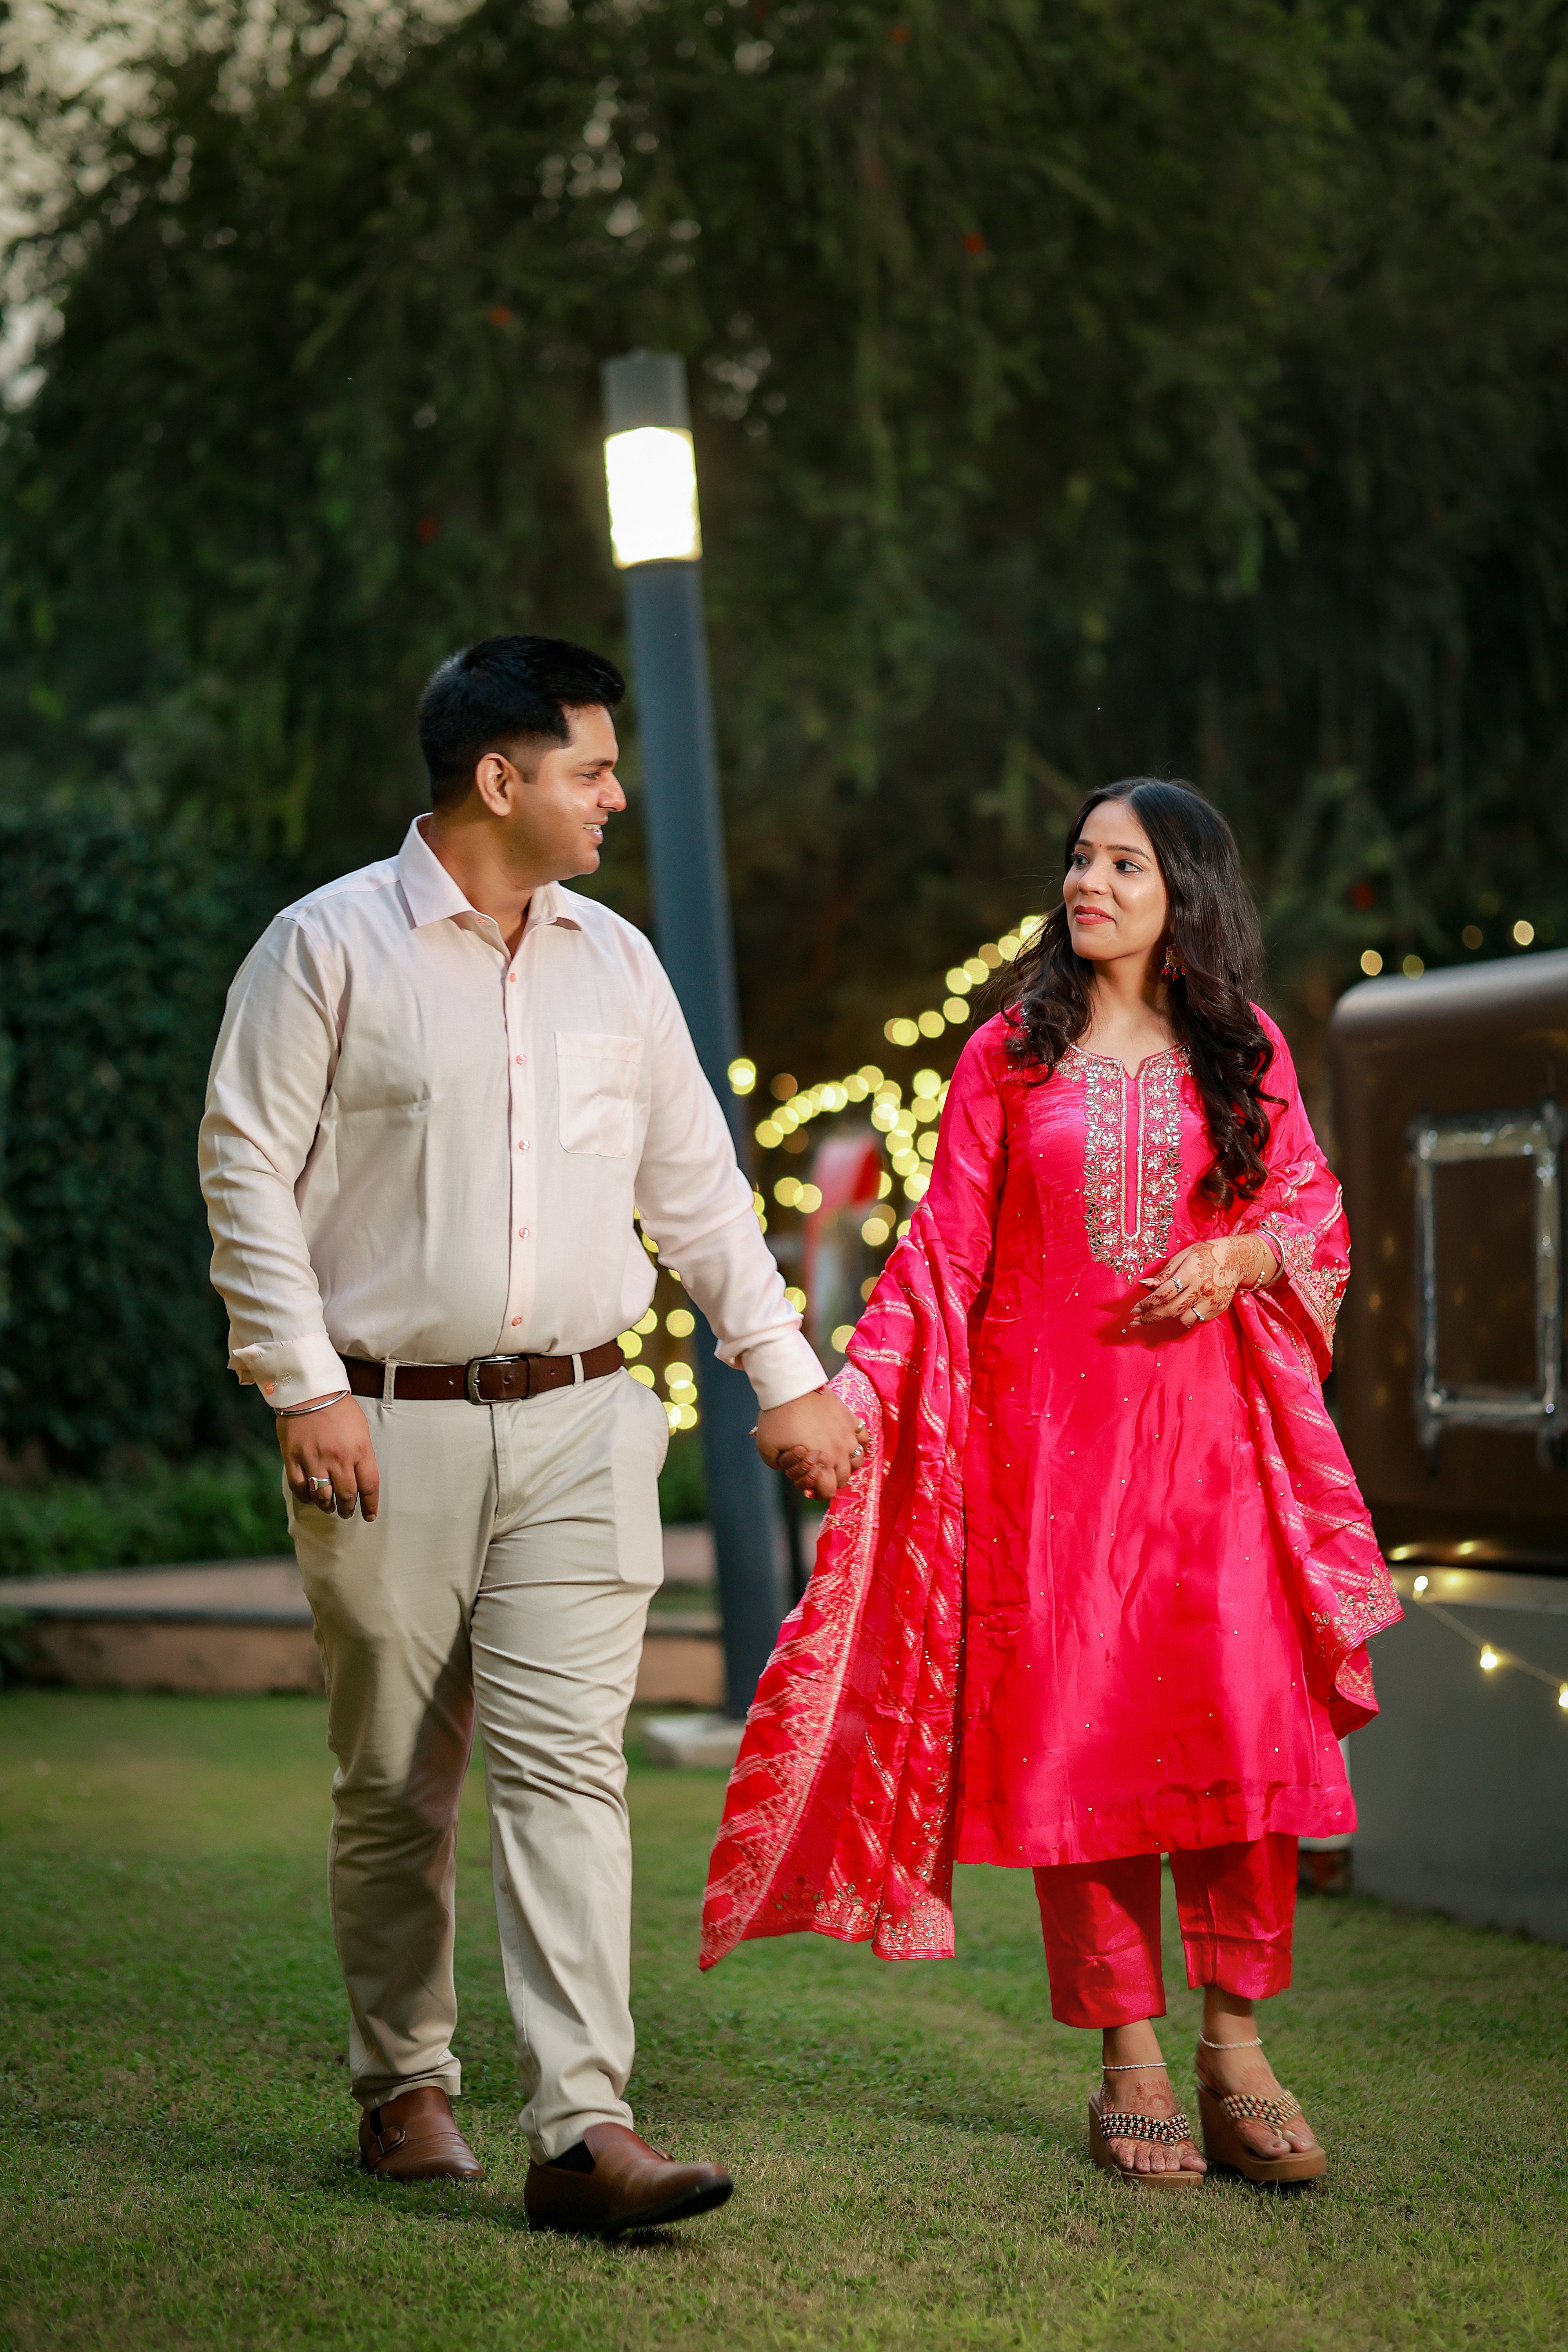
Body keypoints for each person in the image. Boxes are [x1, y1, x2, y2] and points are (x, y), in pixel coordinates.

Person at [200, 633, 861, 2233]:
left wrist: (783, 1372)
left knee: (569, 1768)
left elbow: (697, 1192)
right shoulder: (323, 948)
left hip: (581, 1419)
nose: (615, 796)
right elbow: (244, 1167)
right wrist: (304, 1384)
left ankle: (581, 2131)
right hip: (385, 1425)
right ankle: (403, 2084)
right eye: (591, 769)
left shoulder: (617, 964)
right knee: (396, 1787)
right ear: (499, 780)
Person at [704, 778, 1400, 2190]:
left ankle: (1237, 2051)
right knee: (1085, 1751)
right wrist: (855, 1391)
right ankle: (1129, 2062)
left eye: (1124, 864)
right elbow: (941, 1254)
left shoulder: (1243, 1046)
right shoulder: (1008, 1057)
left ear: (1184, 891)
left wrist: (1240, 1257)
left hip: (1213, 1457)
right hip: (1048, 1466)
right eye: (1081, 859)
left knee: (1238, 1744)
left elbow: (1314, 1209)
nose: (1089, 883)